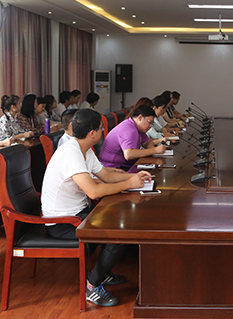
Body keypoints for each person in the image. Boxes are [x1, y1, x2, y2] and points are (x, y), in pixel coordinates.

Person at [41, 109, 152, 307]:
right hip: (62, 223)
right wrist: (128, 184)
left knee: (120, 219)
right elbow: (93, 191)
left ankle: (102, 272)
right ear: (92, 133)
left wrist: (134, 178)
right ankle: (92, 286)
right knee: (118, 235)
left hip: (79, 213)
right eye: (101, 128)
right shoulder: (71, 153)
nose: (103, 132)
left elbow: (106, 176)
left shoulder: (84, 148)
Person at [99, 105, 167, 170]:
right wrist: (155, 150)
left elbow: (147, 142)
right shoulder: (129, 129)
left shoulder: (137, 127)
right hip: (114, 167)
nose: (150, 126)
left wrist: (151, 148)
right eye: (149, 122)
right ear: (140, 117)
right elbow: (129, 154)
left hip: (126, 165)